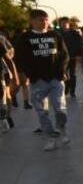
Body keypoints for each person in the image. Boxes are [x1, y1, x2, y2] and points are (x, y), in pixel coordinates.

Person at [14, 9, 70, 150]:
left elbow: (64, 55)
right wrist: (23, 74)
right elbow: (19, 58)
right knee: (42, 112)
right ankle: (49, 138)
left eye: (46, 19)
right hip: (37, 80)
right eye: (40, 19)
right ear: (32, 21)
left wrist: (62, 71)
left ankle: (62, 130)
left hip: (56, 79)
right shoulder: (25, 38)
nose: (44, 22)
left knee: (60, 108)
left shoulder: (55, 35)